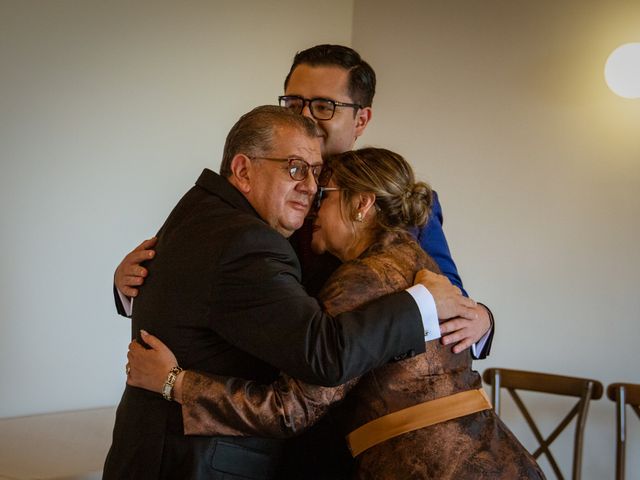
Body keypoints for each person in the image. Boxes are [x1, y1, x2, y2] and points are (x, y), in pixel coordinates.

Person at [103, 107, 476, 479]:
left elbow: (455, 304)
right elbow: (322, 355)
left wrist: (481, 316)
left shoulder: (203, 210)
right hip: (195, 461)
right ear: (243, 170)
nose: (311, 188)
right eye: (296, 168)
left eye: (316, 176)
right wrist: (421, 305)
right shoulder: (246, 239)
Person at [112, 44, 493, 356]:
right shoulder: (255, 181)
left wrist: (483, 321)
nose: (307, 115)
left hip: (350, 395)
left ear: (361, 120)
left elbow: (447, 300)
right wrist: (131, 284)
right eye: (294, 103)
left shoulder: (394, 197)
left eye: (324, 106)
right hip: (267, 387)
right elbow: (199, 272)